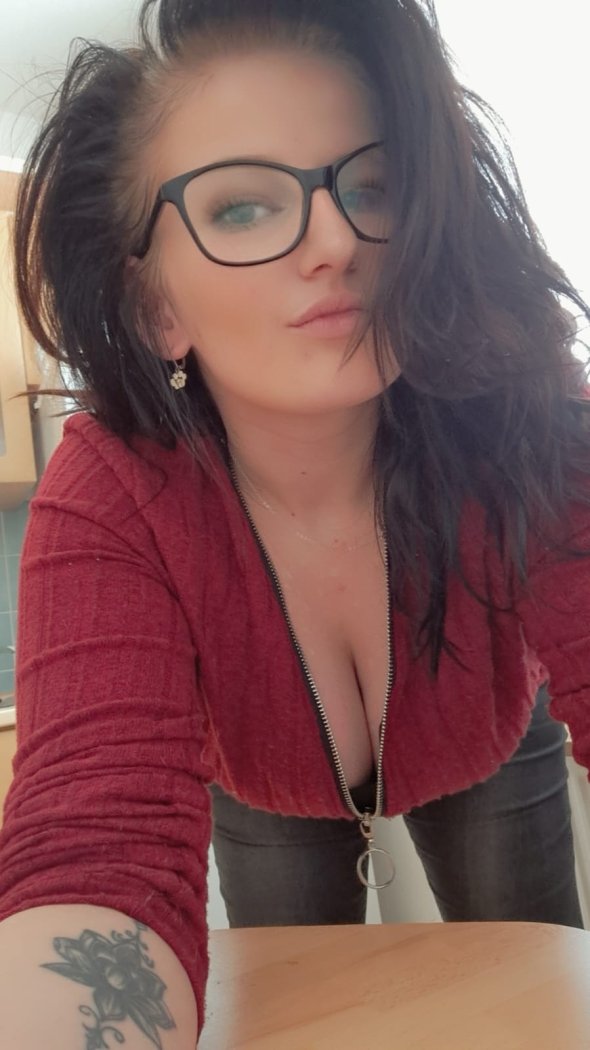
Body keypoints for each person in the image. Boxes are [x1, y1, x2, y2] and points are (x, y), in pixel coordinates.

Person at [0, 0, 589, 1045]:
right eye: (239, 208)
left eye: (372, 187)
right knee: (287, 996)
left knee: (528, 968)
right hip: (264, 785)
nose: (337, 239)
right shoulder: (111, 490)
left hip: (488, 747)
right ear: (155, 308)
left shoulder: (525, 421)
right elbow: (95, 848)